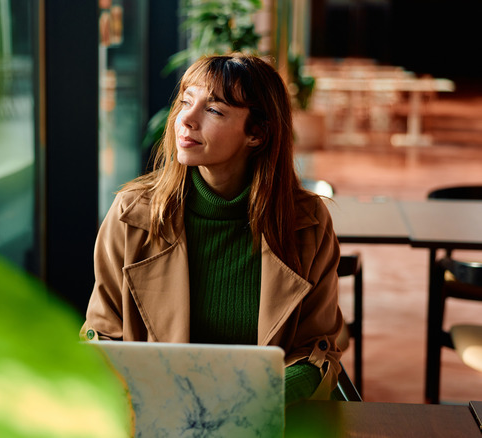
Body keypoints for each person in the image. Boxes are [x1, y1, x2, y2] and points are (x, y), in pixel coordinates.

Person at [80, 53, 344, 404]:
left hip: (264, 419)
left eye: (214, 110)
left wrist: (255, 399)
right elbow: (102, 336)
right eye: (186, 102)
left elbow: (317, 350)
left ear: (258, 134)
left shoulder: (306, 223)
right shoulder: (133, 214)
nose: (185, 120)